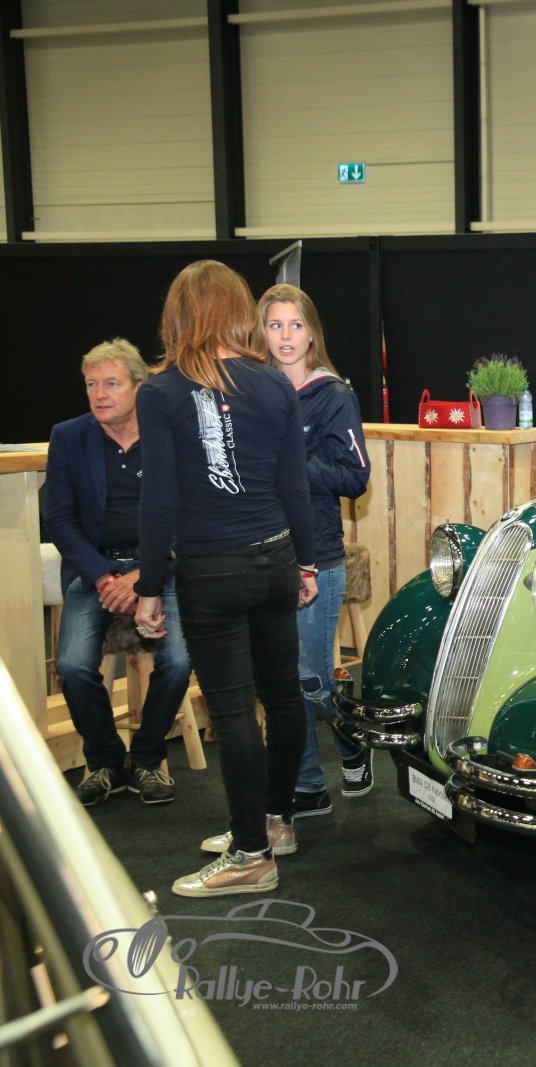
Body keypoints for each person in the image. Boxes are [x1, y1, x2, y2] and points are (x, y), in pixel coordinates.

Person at [133, 259, 320, 898]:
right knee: (283, 696)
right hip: (275, 559)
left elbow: (158, 503)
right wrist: (306, 562)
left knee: (236, 711)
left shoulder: (160, 392)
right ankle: (275, 823)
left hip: (212, 570)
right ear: (240, 310)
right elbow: (294, 487)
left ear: (181, 314)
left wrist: (148, 586)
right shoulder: (274, 385)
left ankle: (250, 854)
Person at [45, 339, 191, 808]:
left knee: (178, 662)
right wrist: (105, 577)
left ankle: (147, 757)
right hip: (96, 570)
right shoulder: (69, 436)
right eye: (92, 384)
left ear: (139, 387)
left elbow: (189, 516)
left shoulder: (169, 435)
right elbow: (59, 521)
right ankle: (105, 760)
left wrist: (146, 575)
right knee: (71, 667)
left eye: (111, 383)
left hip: (162, 567)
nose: (100, 394)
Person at [257, 283, 372, 816]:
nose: (285, 336)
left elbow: (355, 477)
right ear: (261, 332)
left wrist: (291, 461)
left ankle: (353, 743)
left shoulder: (334, 396)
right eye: (275, 324)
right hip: (261, 553)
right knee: (279, 682)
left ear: (312, 334)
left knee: (312, 680)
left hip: (318, 556)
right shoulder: (253, 391)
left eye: (295, 325)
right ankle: (307, 785)